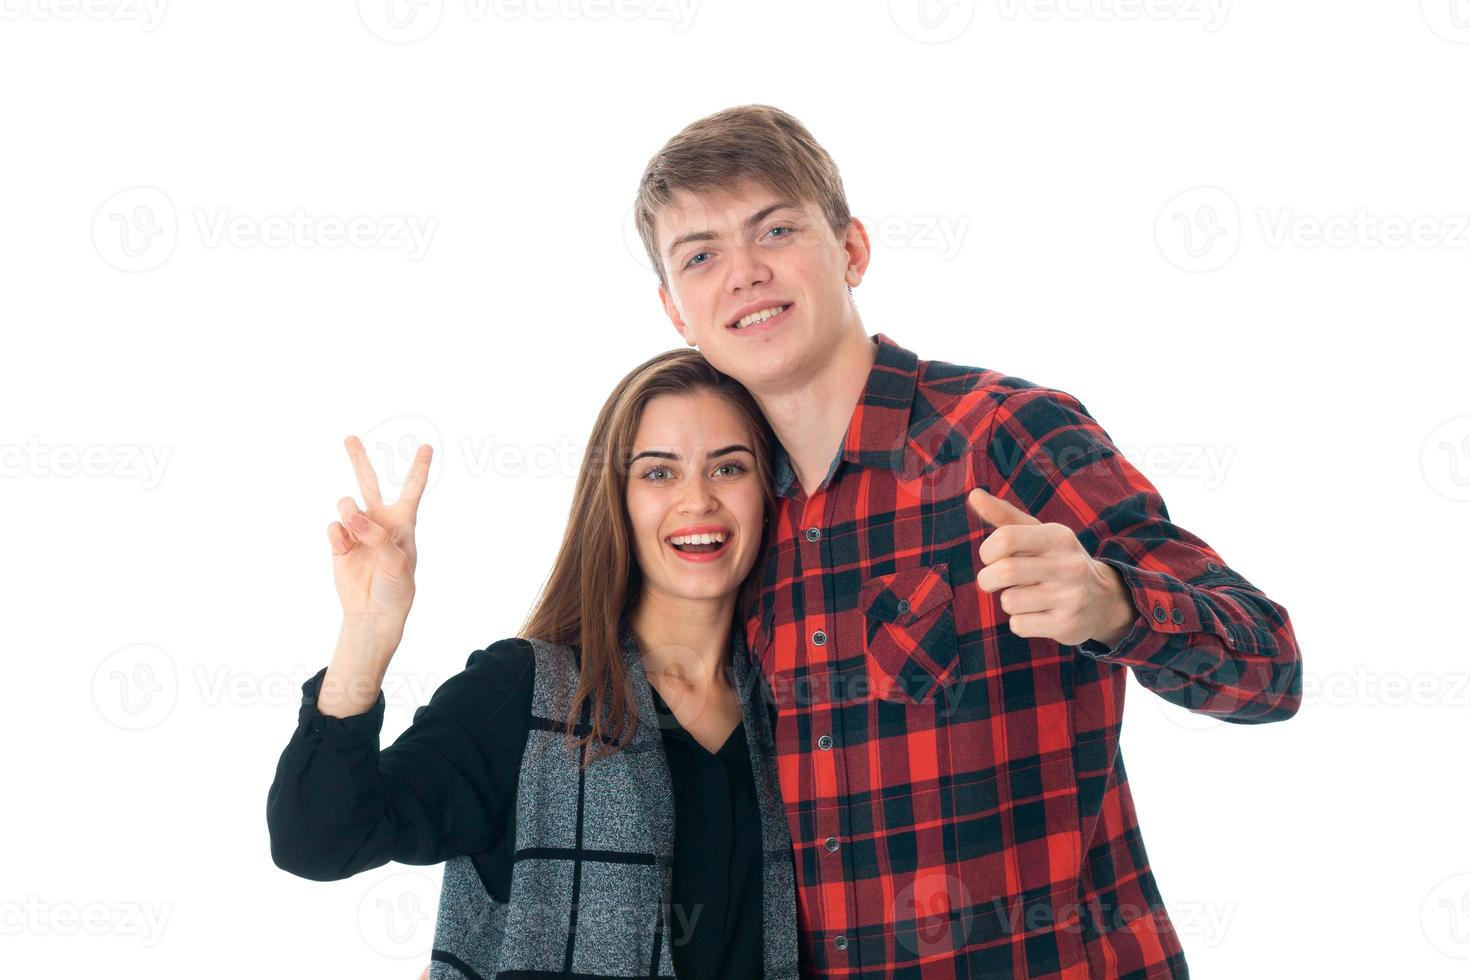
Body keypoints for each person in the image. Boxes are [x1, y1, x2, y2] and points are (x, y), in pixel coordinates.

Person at [631, 104, 1304, 977]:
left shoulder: (1007, 435)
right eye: (702, 254)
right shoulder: (722, 520)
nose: (745, 274)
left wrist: (1114, 601)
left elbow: (1269, 669)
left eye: (778, 229)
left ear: (852, 250)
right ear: (675, 308)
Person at [266, 349, 801, 979]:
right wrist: (366, 634)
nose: (698, 501)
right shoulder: (524, 693)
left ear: (769, 492)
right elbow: (318, 841)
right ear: (617, 502)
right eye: (659, 474)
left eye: (729, 468)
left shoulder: (794, 712)